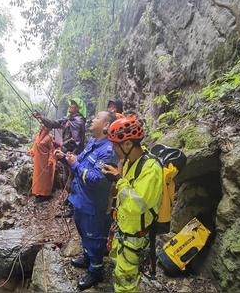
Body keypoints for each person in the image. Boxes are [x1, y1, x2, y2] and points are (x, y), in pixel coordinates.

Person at [54, 111, 117, 290]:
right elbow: (78, 160)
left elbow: (97, 179)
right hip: (80, 201)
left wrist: (74, 164)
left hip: (93, 205)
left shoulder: (109, 151)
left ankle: (95, 271)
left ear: (106, 125)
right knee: (83, 233)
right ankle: (87, 257)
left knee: (94, 238)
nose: (92, 119)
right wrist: (65, 158)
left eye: (97, 117)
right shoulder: (93, 143)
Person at [102, 116, 163, 292]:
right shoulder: (131, 162)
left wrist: (118, 180)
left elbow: (137, 204)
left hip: (135, 236)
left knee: (127, 282)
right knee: (121, 273)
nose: (113, 149)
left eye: (115, 145)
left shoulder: (151, 168)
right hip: (124, 230)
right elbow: (127, 190)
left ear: (128, 144)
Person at [28, 124, 56, 201]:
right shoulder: (38, 135)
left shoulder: (49, 137)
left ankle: (45, 195)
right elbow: (35, 146)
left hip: (45, 161)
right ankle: (38, 192)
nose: (41, 126)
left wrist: (50, 159)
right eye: (40, 125)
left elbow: (52, 150)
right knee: (37, 176)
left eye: (43, 125)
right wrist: (32, 151)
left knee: (45, 178)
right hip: (38, 160)